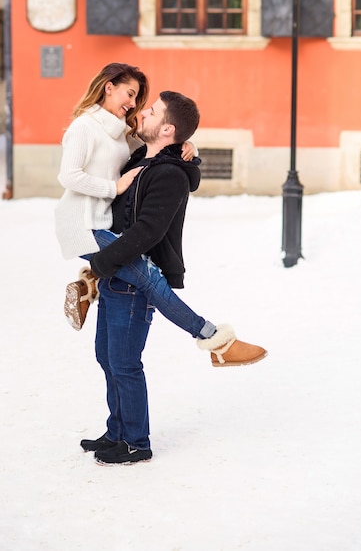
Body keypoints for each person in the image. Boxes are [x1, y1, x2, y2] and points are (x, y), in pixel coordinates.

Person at [76, 91, 268, 465]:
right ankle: (117, 431)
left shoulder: (168, 175)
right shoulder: (139, 158)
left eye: (151, 111)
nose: (142, 112)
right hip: (117, 272)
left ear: (166, 128)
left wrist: (100, 263)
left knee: (125, 362)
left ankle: (135, 441)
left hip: (131, 280)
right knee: (107, 357)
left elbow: (147, 231)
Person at [55, 63, 267, 370]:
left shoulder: (123, 134)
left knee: (116, 353)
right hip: (82, 224)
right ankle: (215, 340)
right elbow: (68, 176)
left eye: (139, 99)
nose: (135, 104)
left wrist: (187, 148)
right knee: (151, 279)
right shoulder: (84, 127)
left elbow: (161, 150)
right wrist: (113, 187)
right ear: (108, 87)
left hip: (102, 224)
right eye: (129, 93)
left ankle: (90, 283)